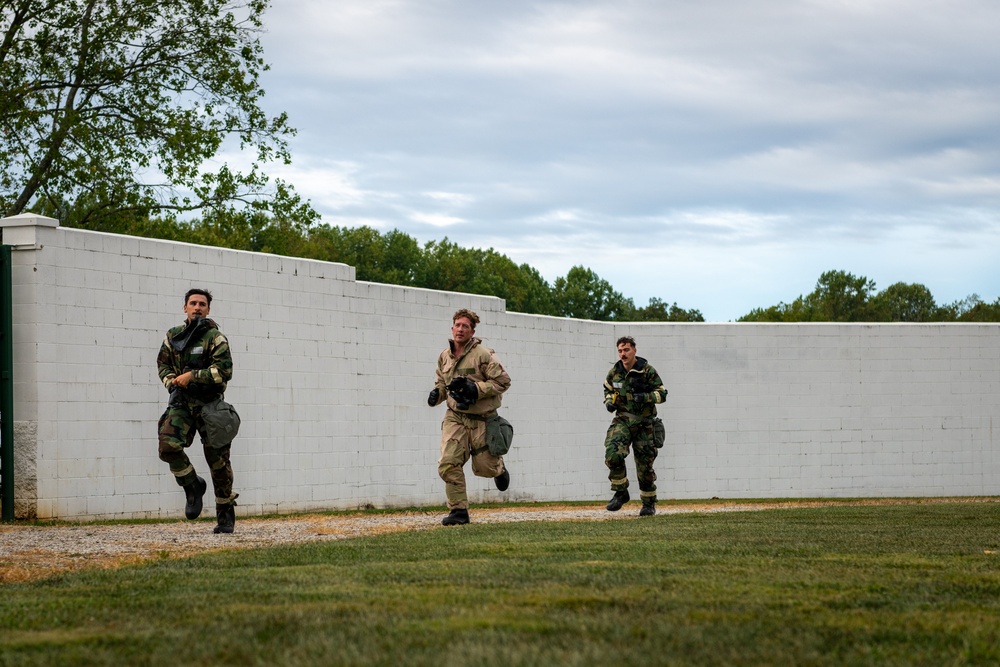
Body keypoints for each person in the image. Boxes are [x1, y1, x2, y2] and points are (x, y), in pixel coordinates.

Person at [157, 288, 239, 533]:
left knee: (219, 463)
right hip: (181, 403)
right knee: (167, 446)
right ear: (185, 308)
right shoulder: (173, 336)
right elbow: (163, 365)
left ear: (208, 309)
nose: (197, 307)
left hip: (210, 406)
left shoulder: (215, 338)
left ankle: (225, 514)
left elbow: (224, 372)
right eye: (192, 303)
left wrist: (192, 375)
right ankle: (192, 485)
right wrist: (172, 381)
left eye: (202, 304)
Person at [427, 309, 512, 525]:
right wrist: (437, 394)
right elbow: (442, 382)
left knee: (485, 467)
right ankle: (459, 511)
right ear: (452, 328)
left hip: (482, 418)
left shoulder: (484, 355)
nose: (461, 329)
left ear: (472, 331)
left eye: (466, 326)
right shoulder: (444, 356)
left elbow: (503, 382)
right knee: (448, 462)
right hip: (455, 416)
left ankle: (499, 469)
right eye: (458, 325)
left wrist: (476, 389)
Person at [602, 336, 668, 516]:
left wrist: (646, 397)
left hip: (644, 424)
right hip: (622, 420)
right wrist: (609, 402)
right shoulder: (614, 372)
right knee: (613, 453)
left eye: (626, 350)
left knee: (644, 466)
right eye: (620, 351)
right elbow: (608, 390)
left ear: (634, 351)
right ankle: (620, 492)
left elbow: (662, 394)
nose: (623, 354)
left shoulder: (647, 371)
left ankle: (648, 503)